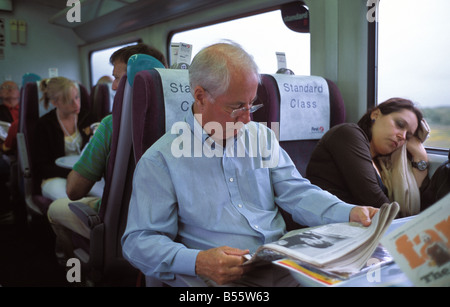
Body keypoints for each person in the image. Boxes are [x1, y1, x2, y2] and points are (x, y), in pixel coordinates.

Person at [121, 42, 378, 287]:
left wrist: (349, 212)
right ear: (200, 97)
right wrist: (198, 262)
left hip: (283, 264)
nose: (247, 119)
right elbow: (138, 241)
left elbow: (296, 192)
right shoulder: (162, 160)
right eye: (236, 107)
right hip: (222, 277)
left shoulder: (261, 136)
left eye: (252, 104)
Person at [46, 44, 168, 258]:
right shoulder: (183, 121)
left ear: (137, 81)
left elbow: (74, 190)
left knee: (55, 209)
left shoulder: (112, 124)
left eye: (118, 78)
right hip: (166, 229)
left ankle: (77, 265)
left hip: (120, 226)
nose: (113, 87)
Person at [306, 98, 429, 211]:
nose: (402, 136)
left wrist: (421, 157)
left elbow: (411, 198)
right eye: (400, 124)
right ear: (375, 115)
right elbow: (375, 202)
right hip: (325, 226)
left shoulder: (383, 165)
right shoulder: (348, 134)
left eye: (408, 136)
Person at [36, 76, 95, 200]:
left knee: (107, 197)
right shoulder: (44, 125)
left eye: (77, 97)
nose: (76, 104)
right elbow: (42, 166)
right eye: (69, 100)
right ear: (55, 102)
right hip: (55, 177)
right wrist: (74, 173)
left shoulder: (88, 117)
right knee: (72, 204)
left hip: (86, 174)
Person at [0, 81, 20, 224]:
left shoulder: (28, 109)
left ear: (19, 93)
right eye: (5, 88)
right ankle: (6, 209)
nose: (9, 90)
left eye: (12, 87)